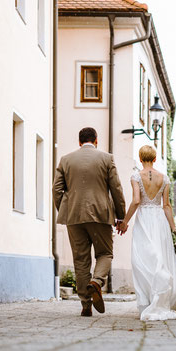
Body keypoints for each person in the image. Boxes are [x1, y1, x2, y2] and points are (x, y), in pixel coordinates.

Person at [117, 145, 176, 321]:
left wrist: (125, 222)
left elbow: (136, 201)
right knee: (160, 256)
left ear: (140, 158)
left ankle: (148, 301)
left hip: (144, 219)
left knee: (142, 259)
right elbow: (166, 205)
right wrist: (175, 230)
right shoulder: (164, 178)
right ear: (154, 159)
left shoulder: (136, 176)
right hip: (159, 219)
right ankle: (159, 295)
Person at [52, 127, 126, 317]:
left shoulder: (66, 160)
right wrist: (121, 216)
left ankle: (85, 304)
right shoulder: (106, 159)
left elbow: (57, 189)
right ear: (96, 140)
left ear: (79, 142)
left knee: (80, 260)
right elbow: (116, 188)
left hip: (74, 216)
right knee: (105, 253)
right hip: (101, 215)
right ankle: (97, 281)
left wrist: (66, 210)